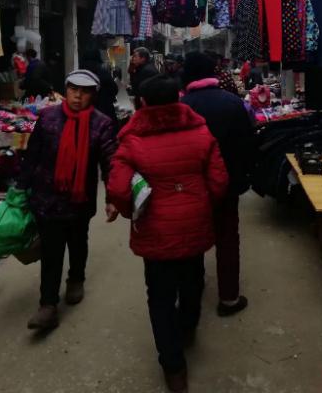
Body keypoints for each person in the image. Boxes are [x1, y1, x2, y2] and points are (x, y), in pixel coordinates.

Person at [108, 75, 228, 393]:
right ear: (178, 98)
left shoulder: (132, 139)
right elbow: (219, 183)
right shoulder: (201, 132)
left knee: (160, 297)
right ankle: (187, 329)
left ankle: (174, 368)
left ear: (143, 103)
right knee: (192, 281)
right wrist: (200, 204)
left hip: (156, 231)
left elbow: (118, 189)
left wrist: (131, 211)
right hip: (194, 224)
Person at [17, 69, 118, 331]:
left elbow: (110, 163)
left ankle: (76, 279)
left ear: (93, 95)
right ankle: (48, 305)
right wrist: (20, 188)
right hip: (47, 196)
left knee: (77, 242)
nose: (77, 96)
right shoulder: (48, 117)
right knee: (51, 251)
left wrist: (112, 197)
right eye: (73, 90)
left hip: (79, 199)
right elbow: (32, 154)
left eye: (84, 92)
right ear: (66, 90)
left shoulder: (102, 124)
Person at [181, 51, 254, 317]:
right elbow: (248, 143)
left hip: (191, 186)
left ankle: (195, 287)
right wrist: (243, 176)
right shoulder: (233, 103)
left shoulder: (182, 106)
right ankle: (229, 298)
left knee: (194, 237)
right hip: (227, 184)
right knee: (227, 238)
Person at [80, 48, 119, 123]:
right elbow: (114, 89)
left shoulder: (80, 73)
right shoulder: (103, 72)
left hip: (84, 112)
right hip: (104, 110)